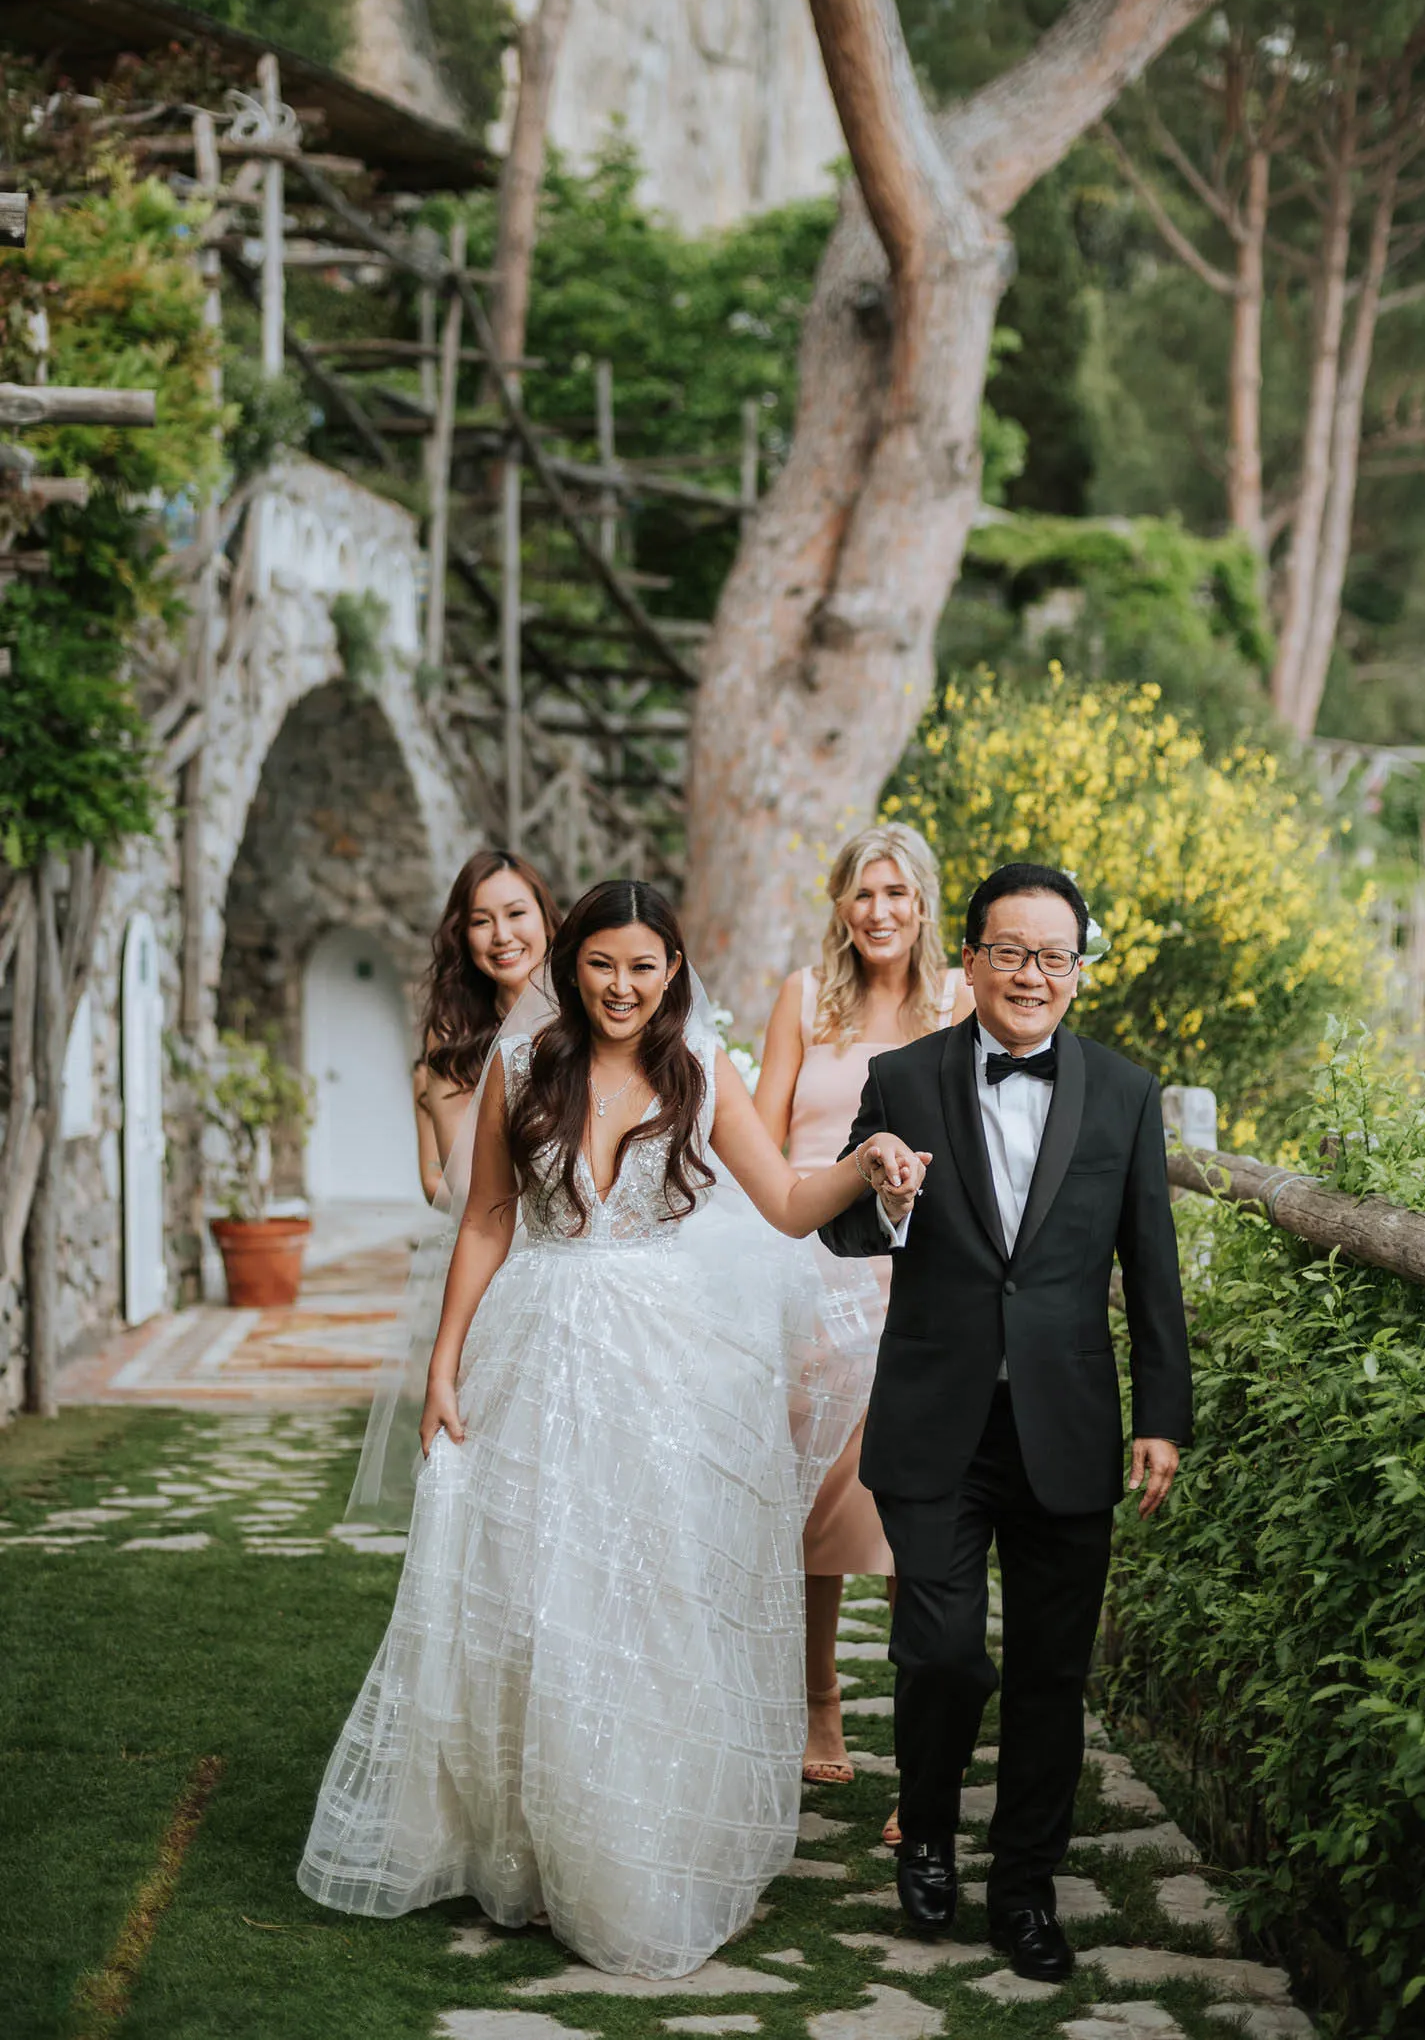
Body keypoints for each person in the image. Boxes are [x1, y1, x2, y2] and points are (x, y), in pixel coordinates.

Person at [300, 879, 928, 1978]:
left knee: (647, 1591)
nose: (623, 987)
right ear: (570, 966)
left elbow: (783, 1200)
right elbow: (490, 1218)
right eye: (602, 965)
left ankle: (639, 1837)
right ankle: (530, 1847)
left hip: (664, 1369)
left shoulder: (704, 1073)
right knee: (535, 1593)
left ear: (672, 970)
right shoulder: (518, 1067)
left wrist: (866, 1167)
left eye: (644, 966)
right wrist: (445, 1364)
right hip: (535, 1352)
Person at [819, 861, 1192, 1985]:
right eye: (1011, 952)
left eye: (1055, 956)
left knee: (1050, 1674)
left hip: (1070, 1425)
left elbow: (1151, 1265)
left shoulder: (1126, 1094)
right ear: (969, 958)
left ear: (1079, 971)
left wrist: (1162, 1415)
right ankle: (925, 1831)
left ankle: (1025, 1889)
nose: (1033, 974)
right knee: (940, 1652)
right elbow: (842, 1235)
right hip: (937, 1418)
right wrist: (883, 1193)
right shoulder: (904, 1076)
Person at [755, 822, 971, 1790]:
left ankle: (916, 1750)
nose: (879, 912)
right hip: (809, 1276)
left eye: (897, 894)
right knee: (816, 1511)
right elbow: (759, 1143)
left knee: (917, 1513)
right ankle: (818, 1706)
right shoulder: (804, 998)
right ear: (840, 905)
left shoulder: (960, 1002)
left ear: (923, 904)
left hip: (919, 1279)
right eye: (861, 893)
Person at [414, 849, 561, 1201]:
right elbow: (462, 1180)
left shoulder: (588, 1011)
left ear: (545, 918)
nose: (502, 936)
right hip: (499, 1224)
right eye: (481, 921)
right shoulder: (454, 1035)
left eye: (516, 914)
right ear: (462, 935)